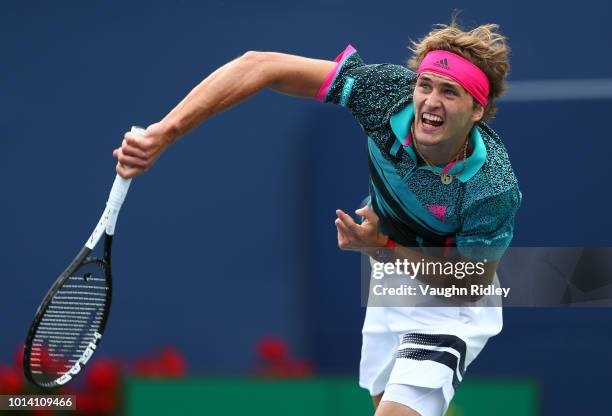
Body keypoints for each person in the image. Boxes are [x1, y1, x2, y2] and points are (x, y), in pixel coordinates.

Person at [113, 18, 521, 416]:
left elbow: (467, 285)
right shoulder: (385, 95)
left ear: (476, 111)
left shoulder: (492, 185)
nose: (430, 102)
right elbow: (261, 65)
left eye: (450, 92)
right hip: (391, 275)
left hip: (451, 297)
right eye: (425, 85)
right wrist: (165, 132)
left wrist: (383, 248)